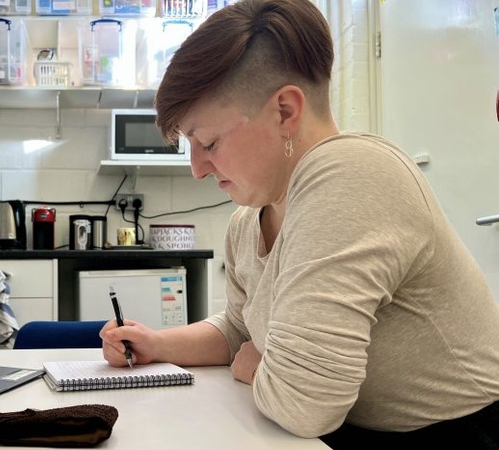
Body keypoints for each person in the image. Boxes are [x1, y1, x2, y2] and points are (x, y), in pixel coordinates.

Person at [99, 0, 499, 447]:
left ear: (285, 110)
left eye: (208, 141)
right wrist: (157, 343)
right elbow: (240, 330)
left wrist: (256, 365)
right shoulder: (248, 220)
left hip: (457, 434)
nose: (197, 168)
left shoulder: (353, 174)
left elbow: (306, 402)